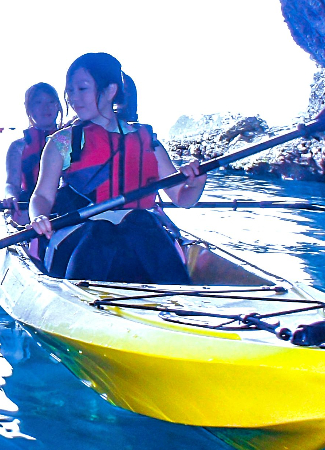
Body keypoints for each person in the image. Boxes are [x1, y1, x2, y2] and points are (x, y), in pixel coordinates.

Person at [28, 53, 205, 283]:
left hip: (136, 245)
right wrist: (39, 216)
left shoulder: (146, 140)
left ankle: (182, 302)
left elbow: (183, 198)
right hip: (79, 243)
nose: (73, 98)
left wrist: (197, 182)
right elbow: (41, 195)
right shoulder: (61, 142)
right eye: (70, 90)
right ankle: (79, 304)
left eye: (82, 89)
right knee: (102, 231)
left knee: (141, 221)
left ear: (111, 90)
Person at [0, 83, 63, 228]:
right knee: (22, 217)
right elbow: (11, 183)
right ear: (29, 109)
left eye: (51, 102)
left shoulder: (72, 139)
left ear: (58, 106)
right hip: (29, 205)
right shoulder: (18, 147)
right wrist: (10, 196)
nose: (45, 108)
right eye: (38, 102)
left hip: (64, 205)